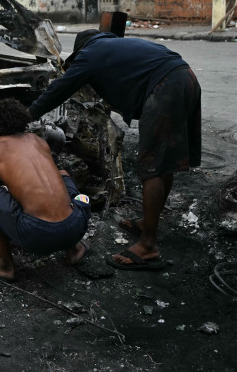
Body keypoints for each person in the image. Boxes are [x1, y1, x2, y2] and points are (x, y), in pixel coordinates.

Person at [28, 30, 201, 271]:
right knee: (163, 164)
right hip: (186, 78)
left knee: (151, 169)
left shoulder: (90, 54)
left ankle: (148, 245)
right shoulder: (117, 47)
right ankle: (148, 224)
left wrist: (28, 115)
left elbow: (60, 89)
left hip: (165, 87)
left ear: (81, 49)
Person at [0, 98, 91, 281]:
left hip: (37, 235)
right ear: (22, 119)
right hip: (77, 225)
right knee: (62, 173)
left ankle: (6, 265)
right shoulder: (37, 140)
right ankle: (74, 249)